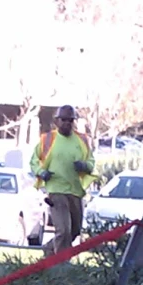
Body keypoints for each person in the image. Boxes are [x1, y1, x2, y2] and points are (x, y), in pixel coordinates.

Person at [30, 105, 95, 252]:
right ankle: (61, 265)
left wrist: (84, 166)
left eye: (70, 120)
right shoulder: (48, 139)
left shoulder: (82, 140)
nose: (67, 123)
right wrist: (41, 172)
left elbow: (91, 163)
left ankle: (48, 249)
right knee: (63, 230)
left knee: (74, 231)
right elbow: (34, 162)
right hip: (56, 191)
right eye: (63, 120)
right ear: (56, 121)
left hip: (76, 191)